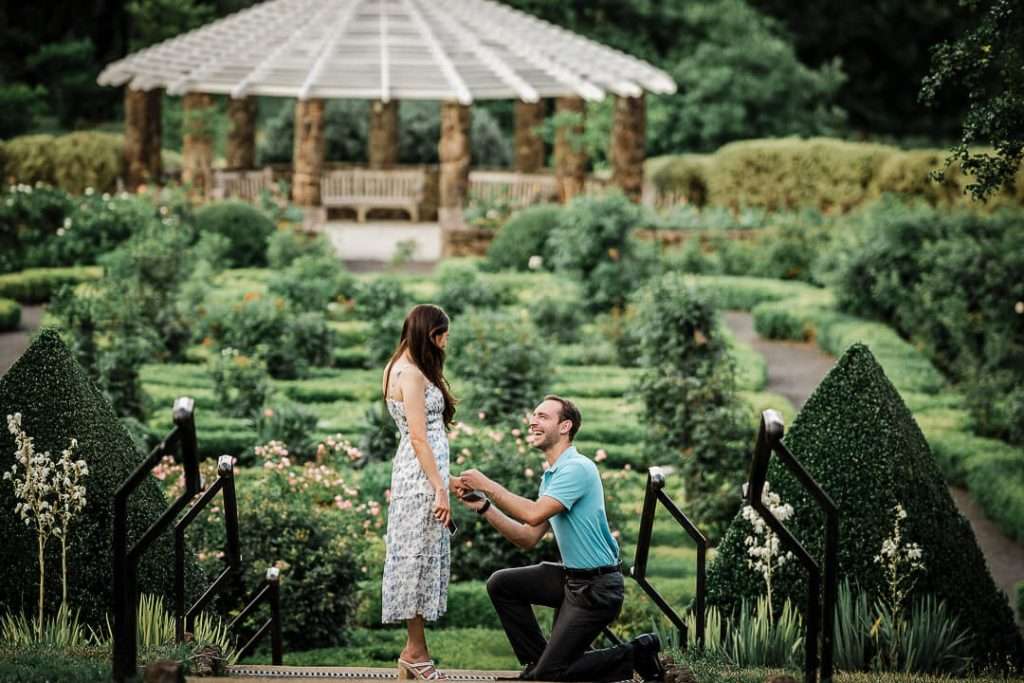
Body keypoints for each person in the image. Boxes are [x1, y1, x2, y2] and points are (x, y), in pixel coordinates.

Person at [455, 395, 663, 682]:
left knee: (552, 676)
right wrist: (484, 507)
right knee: (502, 585)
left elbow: (532, 513)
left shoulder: (577, 468)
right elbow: (528, 537)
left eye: (542, 416)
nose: (532, 421)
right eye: (533, 415)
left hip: (597, 588)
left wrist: (488, 486)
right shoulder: (552, 476)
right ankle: (539, 665)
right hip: (573, 580)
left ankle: (636, 652)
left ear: (565, 426)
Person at [380, 304, 460, 681]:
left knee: (422, 560)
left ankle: (415, 652)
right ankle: (415, 652)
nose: (446, 342)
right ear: (430, 334)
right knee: (415, 563)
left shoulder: (404, 365)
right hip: (420, 483)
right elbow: (417, 437)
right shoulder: (409, 374)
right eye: (443, 334)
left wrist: (446, 478)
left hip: (422, 477)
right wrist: (439, 489)